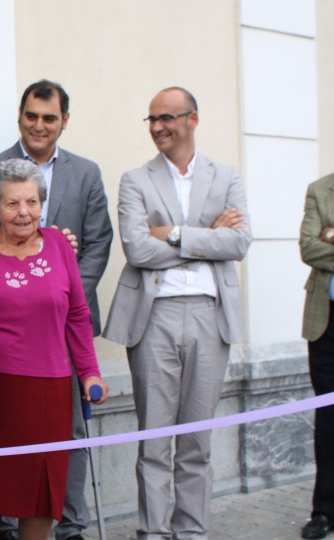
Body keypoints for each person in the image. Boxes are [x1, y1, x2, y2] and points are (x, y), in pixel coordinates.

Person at [103, 87, 252, 539]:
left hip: (211, 316)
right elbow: (136, 248)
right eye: (151, 120)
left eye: (166, 118)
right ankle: (152, 533)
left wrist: (173, 235)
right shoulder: (135, 179)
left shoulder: (225, 176)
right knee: (153, 438)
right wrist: (206, 237)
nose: (158, 127)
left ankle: (191, 532)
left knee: (198, 439)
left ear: (193, 119)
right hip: (155, 318)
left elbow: (240, 243)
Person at [0, 80, 113, 540]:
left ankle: (70, 526)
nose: (39, 125)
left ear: (63, 122)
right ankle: (7, 528)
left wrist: (55, 289)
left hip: (56, 341)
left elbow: (99, 242)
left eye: (49, 118)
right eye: (32, 115)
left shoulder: (86, 173)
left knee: (60, 444)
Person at [0, 158, 107, 540]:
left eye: (32, 202)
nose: (24, 212)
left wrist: (90, 373)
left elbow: (78, 316)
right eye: (13, 204)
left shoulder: (59, 248)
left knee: (40, 487)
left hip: (46, 389)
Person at [298, 171, 334, 540]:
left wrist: (332, 235)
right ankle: (325, 510)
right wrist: (321, 239)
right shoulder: (320, 190)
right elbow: (308, 247)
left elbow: (321, 244)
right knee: (329, 421)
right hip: (326, 323)